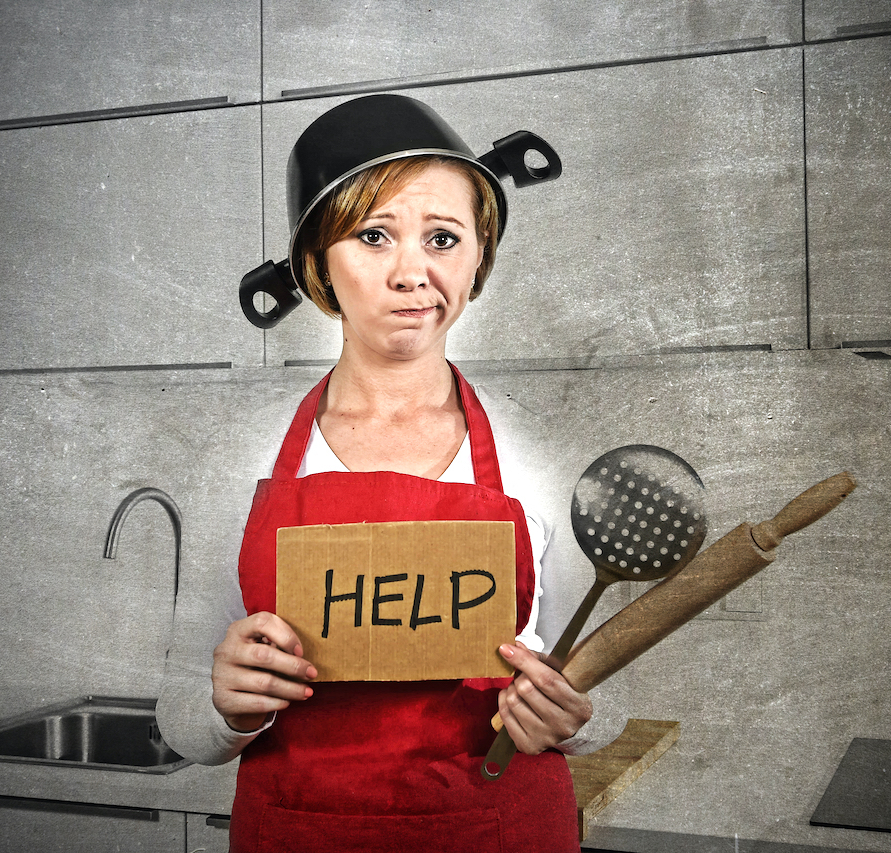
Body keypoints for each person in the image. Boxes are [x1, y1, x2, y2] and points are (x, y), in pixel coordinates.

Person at [158, 95, 616, 852]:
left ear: (478, 258)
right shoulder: (240, 462)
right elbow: (178, 716)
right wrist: (228, 709)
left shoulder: (538, 456)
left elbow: (614, 692)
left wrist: (575, 717)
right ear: (319, 266)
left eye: (443, 237)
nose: (414, 272)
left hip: (496, 831)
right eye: (373, 236)